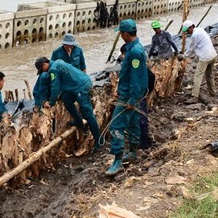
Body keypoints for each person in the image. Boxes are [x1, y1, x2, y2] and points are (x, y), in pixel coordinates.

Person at [106, 19, 148, 176]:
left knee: (116, 126)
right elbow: (129, 76)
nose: (120, 36)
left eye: (121, 33)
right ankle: (132, 152)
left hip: (129, 96)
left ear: (125, 34)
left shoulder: (135, 52)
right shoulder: (134, 48)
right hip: (129, 93)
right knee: (132, 123)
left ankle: (117, 162)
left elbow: (137, 79)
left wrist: (131, 100)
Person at [35, 56, 102, 151]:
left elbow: (55, 86)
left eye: (42, 69)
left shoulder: (53, 69)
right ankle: (78, 121)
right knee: (66, 99)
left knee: (88, 113)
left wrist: (51, 102)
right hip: (78, 85)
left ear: (44, 65)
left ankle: (98, 140)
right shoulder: (58, 62)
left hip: (81, 87)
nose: (44, 72)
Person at [50, 34, 86, 128]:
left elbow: (83, 66)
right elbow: (52, 68)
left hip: (78, 82)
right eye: (67, 45)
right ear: (63, 44)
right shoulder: (57, 53)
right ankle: (78, 121)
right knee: (65, 100)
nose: (69, 47)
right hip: (65, 83)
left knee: (82, 101)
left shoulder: (79, 50)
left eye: (71, 45)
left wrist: (84, 80)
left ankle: (84, 120)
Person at [181, 20, 218, 103]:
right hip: (213, 55)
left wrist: (184, 56)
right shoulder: (201, 30)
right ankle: (213, 93)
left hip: (205, 57)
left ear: (191, 27)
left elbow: (191, 48)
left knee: (197, 76)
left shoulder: (195, 35)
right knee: (209, 75)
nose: (187, 32)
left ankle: (194, 95)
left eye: (187, 30)